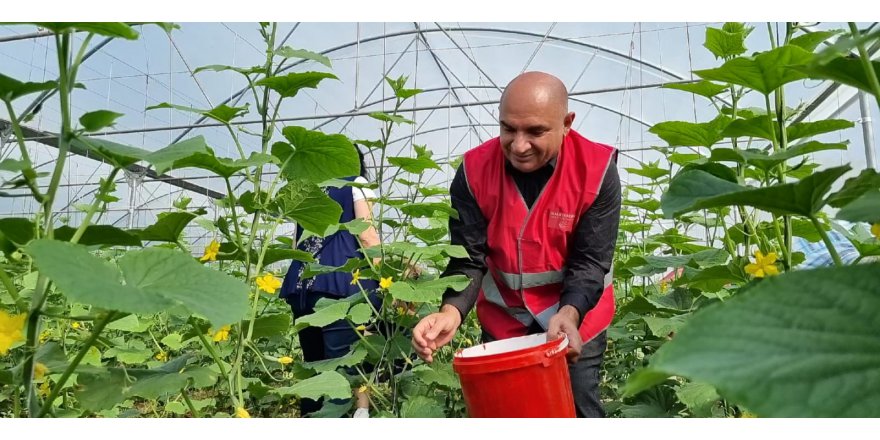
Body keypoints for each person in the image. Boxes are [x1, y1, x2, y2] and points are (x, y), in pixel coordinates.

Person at [411, 71, 621, 418]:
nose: (519, 145)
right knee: (506, 409)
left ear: (567, 123)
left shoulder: (596, 171)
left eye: (535, 132)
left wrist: (569, 313)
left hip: (576, 314)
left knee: (576, 402)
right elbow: (468, 258)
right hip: (506, 317)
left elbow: (590, 262)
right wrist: (450, 311)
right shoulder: (474, 170)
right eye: (508, 129)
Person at [280, 147, 380, 417]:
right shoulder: (355, 184)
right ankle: (353, 416)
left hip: (301, 286)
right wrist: (385, 278)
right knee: (348, 362)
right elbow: (367, 236)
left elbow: (295, 244)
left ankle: (313, 417)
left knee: (315, 367)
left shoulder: (310, 190)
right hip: (342, 286)